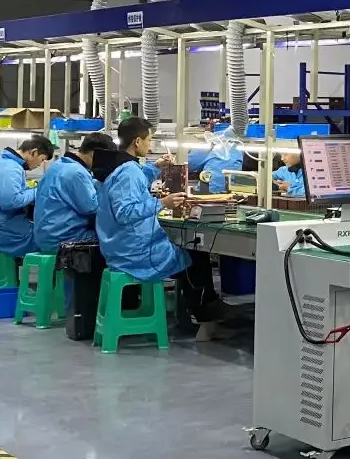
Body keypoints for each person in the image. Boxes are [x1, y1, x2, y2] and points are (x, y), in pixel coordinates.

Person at [97, 117, 224, 340]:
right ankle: (206, 322)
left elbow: (136, 181)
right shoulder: (129, 171)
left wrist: (156, 168)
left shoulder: (119, 166)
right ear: (137, 141)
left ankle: (194, 316)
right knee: (196, 255)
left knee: (187, 251)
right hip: (134, 252)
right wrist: (163, 203)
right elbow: (125, 213)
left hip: (117, 245)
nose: (151, 145)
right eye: (149, 140)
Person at [35, 133, 115, 340]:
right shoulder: (76, 173)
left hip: (48, 234)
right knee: (114, 243)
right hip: (66, 237)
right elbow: (92, 207)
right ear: (95, 154)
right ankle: (103, 311)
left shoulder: (60, 166)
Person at [0, 135, 54, 261]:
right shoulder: (10, 168)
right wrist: (39, 191)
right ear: (34, 152)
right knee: (51, 239)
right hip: (1, 231)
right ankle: (44, 274)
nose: (40, 165)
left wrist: (31, 190)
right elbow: (11, 201)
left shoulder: (2, 162)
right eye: (42, 160)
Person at [191, 127, 243, 195]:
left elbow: (190, 165)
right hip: (232, 193)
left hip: (209, 192)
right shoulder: (237, 148)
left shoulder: (210, 148)